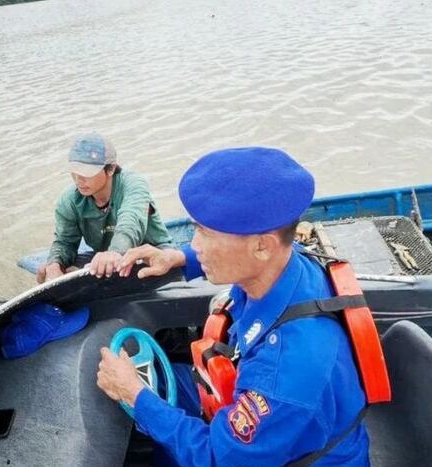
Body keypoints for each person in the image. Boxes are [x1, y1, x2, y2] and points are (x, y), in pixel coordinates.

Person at [96, 147, 370, 466]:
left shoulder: (286, 372)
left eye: (204, 234)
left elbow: (217, 459)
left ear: (262, 246)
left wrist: (134, 395)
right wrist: (180, 258)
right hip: (255, 406)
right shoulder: (286, 262)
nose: (194, 244)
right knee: (165, 376)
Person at [37, 132, 174, 283]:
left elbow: (130, 222)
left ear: (111, 169)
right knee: (58, 268)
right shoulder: (69, 199)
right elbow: (65, 242)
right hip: (105, 257)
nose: (78, 179)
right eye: (74, 172)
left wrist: (115, 252)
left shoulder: (134, 185)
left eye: (86, 173)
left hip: (153, 253)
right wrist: (55, 264)